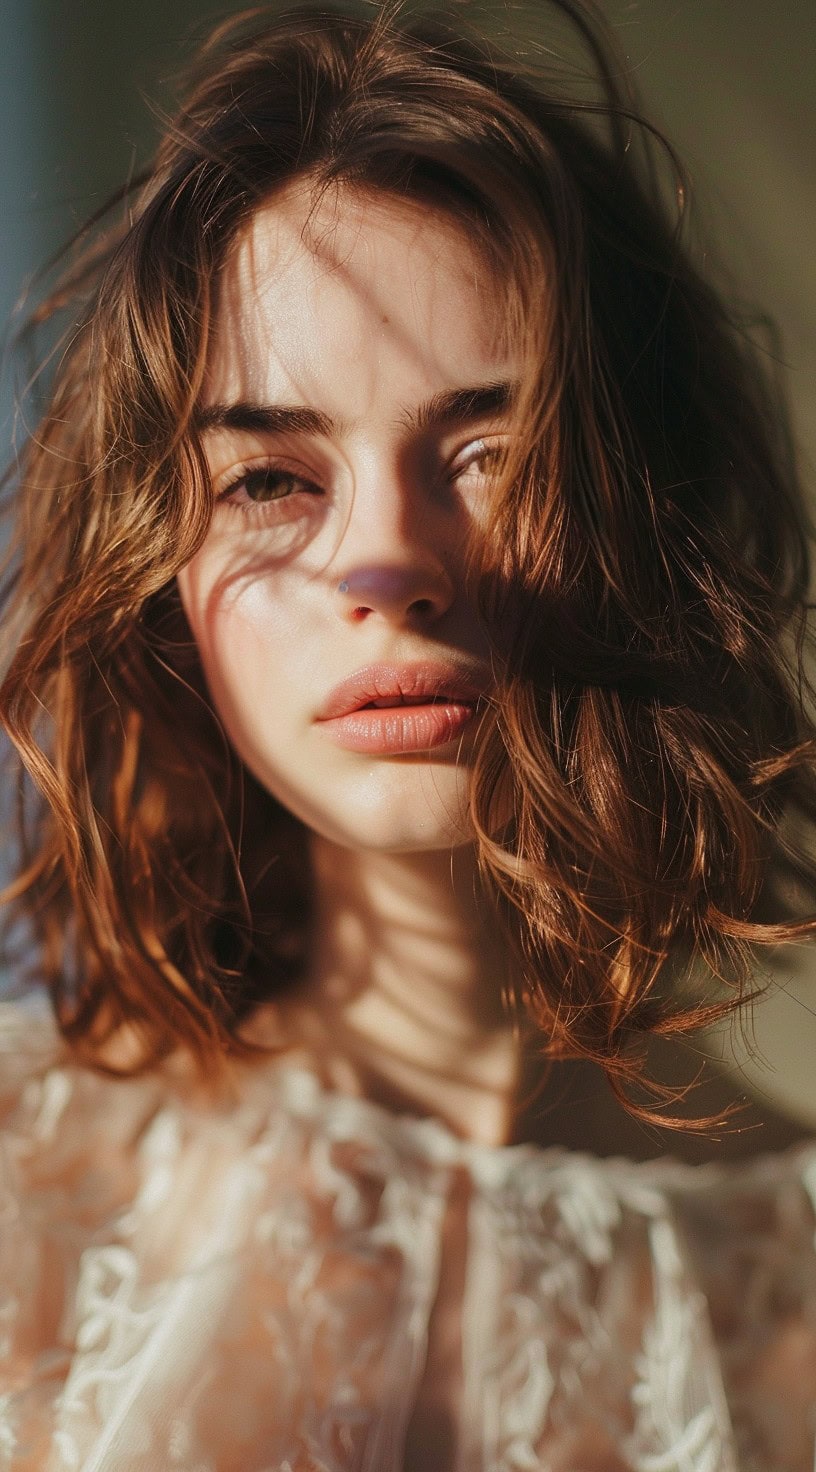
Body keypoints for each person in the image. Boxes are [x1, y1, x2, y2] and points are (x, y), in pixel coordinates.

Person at [1, 2, 816, 1467]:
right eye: (268, 478)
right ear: (159, 570)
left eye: (495, 455)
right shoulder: (21, 1178)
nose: (387, 565)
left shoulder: (793, 1259)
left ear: (649, 516)